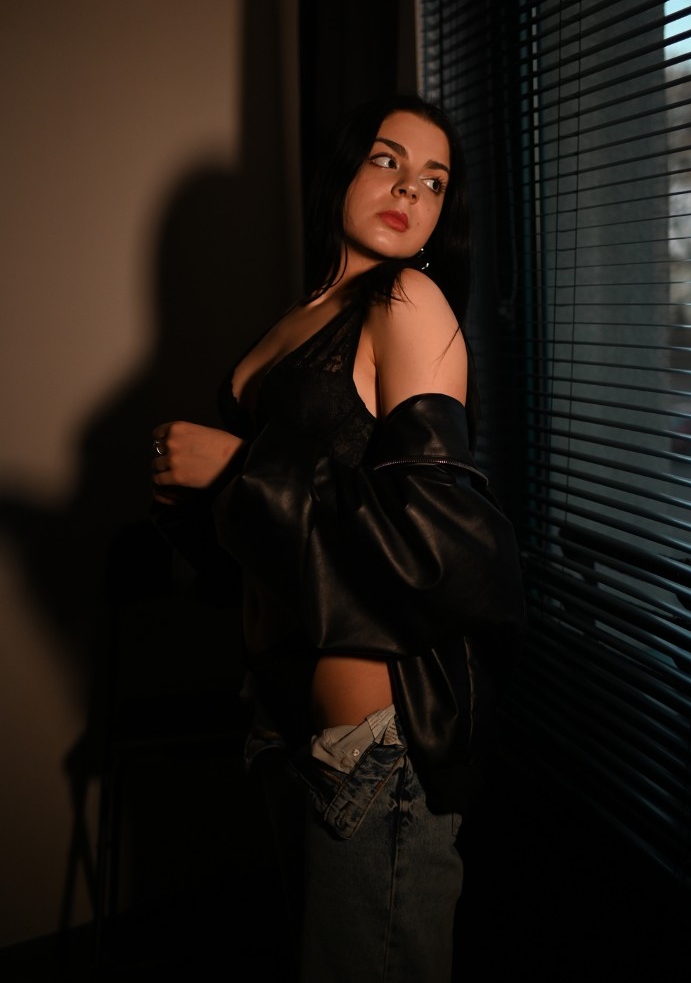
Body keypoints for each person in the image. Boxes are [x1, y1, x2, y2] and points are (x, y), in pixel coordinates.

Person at [150, 93, 525, 982]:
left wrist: (237, 472)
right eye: (388, 160)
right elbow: (270, 546)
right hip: (280, 721)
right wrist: (193, 505)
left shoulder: (408, 300)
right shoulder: (304, 314)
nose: (410, 188)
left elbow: (442, 549)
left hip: (370, 740)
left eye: (434, 180)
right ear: (344, 169)